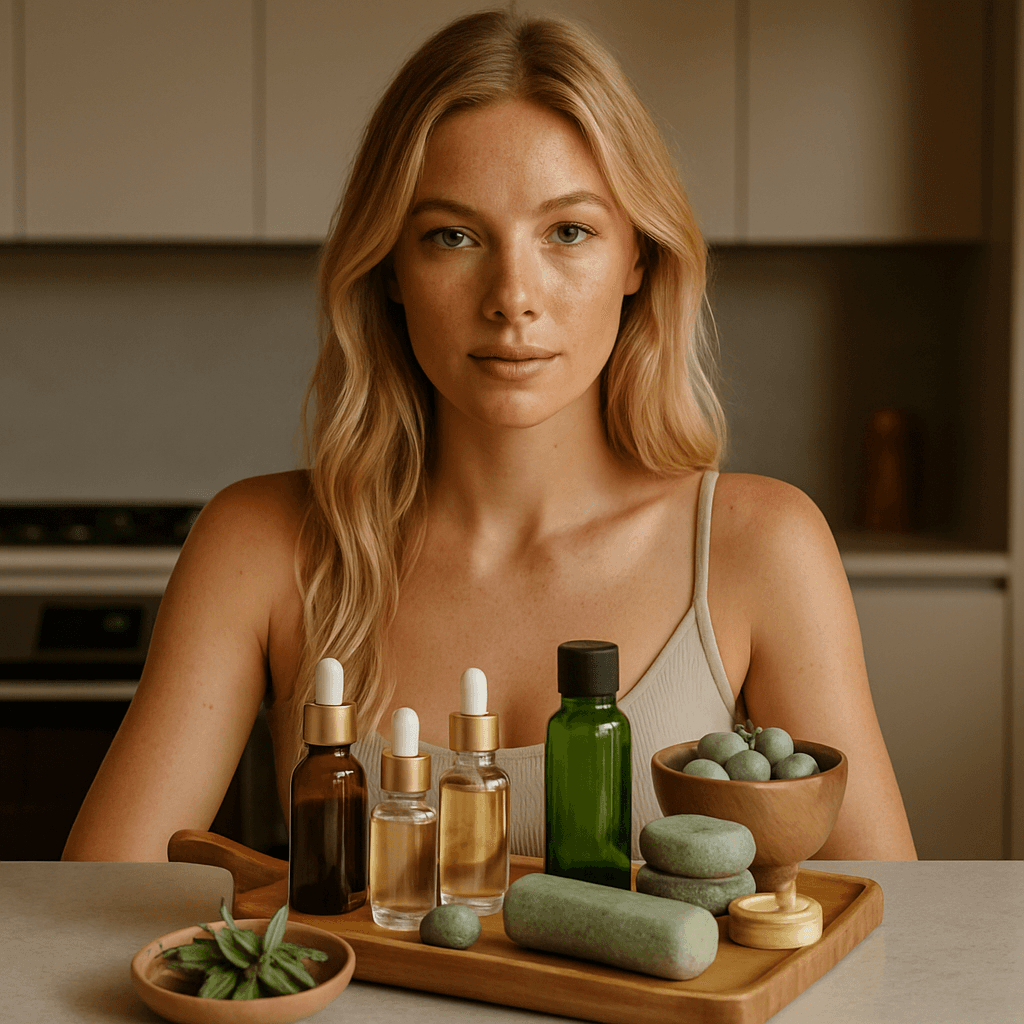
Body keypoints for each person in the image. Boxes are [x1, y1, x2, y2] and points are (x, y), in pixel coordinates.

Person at [63, 9, 917, 863]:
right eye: (453, 236)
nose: (513, 295)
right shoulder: (258, 544)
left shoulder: (762, 546)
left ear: (638, 259)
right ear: (391, 267)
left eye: (568, 232)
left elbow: (889, 918)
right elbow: (91, 898)